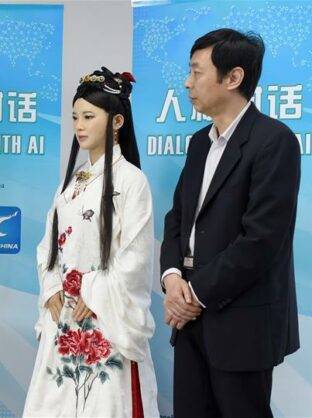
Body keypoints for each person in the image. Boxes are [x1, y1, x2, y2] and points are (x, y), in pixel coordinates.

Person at [160, 28, 300, 418]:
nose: (187, 83)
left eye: (196, 72)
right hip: (189, 318)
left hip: (242, 321)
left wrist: (193, 296)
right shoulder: (198, 143)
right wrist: (172, 277)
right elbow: (178, 219)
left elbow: (260, 241)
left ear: (233, 77)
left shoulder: (275, 141)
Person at [24, 67, 159, 417]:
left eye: (88, 116)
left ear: (116, 122)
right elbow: (48, 245)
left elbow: (136, 257)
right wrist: (52, 286)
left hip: (105, 317)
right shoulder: (72, 182)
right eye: (74, 117)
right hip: (64, 318)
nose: (79, 126)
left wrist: (94, 290)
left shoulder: (132, 181)